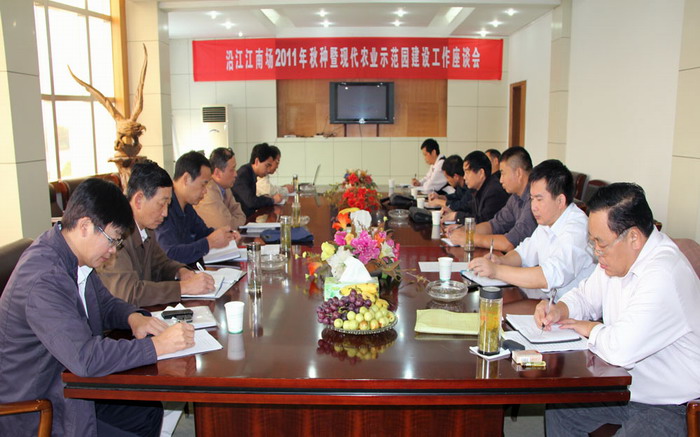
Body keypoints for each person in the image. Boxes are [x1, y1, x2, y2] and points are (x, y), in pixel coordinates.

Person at [0, 178, 194, 437]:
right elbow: (86, 358)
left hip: (68, 384)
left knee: (147, 411)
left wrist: (132, 317)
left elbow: (104, 303)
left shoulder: (72, 255)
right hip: (40, 408)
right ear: (84, 226)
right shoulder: (44, 278)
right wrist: (156, 346)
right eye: (112, 240)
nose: (113, 251)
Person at [539, 183, 700, 436]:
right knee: (561, 408)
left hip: (674, 404)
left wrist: (590, 328)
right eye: (592, 242)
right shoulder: (617, 259)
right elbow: (585, 296)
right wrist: (560, 309)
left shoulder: (664, 273)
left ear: (633, 237)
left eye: (601, 243)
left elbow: (621, 350)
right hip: (629, 391)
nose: (596, 252)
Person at [469, 159, 594, 300]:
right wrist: (501, 260)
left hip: (572, 308)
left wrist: (496, 271)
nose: (533, 207)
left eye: (539, 199)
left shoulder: (577, 229)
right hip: (548, 302)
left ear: (560, 201)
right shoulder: (548, 220)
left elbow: (547, 276)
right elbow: (523, 253)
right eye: (532, 199)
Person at [98, 160, 215, 307]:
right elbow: (130, 293)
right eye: (161, 204)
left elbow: (161, 264)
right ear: (139, 200)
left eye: (168, 205)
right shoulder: (116, 234)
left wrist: (180, 271)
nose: (165, 213)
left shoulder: (147, 228)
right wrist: (183, 288)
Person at [156, 151, 238, 265]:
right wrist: (209, 242)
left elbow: (203, 232)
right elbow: (170, 254)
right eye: (203, 184)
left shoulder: (186, 206)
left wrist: (227, 235)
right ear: (186, 179)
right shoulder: (164, 209)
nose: (205, 191)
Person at [448, 146, 536, 252]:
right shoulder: (515, 197)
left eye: (503, 173)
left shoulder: (534, 199)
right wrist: (465, 230)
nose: (501, 180)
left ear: (518, 173)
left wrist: (470, 238)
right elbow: (493, 225)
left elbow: (509, 243)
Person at [445, 150, 508, 225]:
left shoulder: (493, 191)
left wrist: (456, 216)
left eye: (467, 172)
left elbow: (483, 221)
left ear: (481, 173)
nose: (464, 177)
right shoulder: (478, 189)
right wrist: (451, 211)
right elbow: (468, 207)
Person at [194, 147, 247, 230]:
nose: (236, 174)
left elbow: (241, 215)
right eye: (232, 170)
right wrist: (233, 221)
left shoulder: (225, 187)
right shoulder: (207, 192)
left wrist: (233, 220)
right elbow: (225, 226)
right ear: (217, 173)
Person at [232, 142, 284, 216]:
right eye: (267, 165)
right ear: (257, 161)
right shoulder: (243, 175)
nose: (268, 170)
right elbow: (251, 202)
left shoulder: (250, 172)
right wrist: (272, 200)